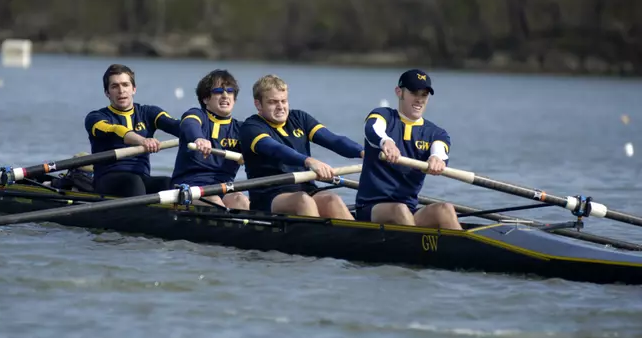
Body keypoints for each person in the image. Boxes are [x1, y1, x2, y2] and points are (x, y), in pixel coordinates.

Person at [238, 74, 364, 218]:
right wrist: (309, 161)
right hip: (269, 195)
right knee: (303, 201)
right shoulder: (251, 127)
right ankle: (316, 232)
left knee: (332, 200)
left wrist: (363, 152)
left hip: (306, 188)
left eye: (284, 101)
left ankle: (353, 233)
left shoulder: (299, 118)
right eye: (273, 102)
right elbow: (276, 150)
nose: (280, 107)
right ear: (258, 104)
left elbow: (333, 140)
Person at [355, 69, 462, 230]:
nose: (419, 99)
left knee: (445, 209)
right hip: (370, 208)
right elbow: (372, 129)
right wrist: (386, 142)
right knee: (400, 210)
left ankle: (459, 245)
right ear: (399, 92)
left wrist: (437, 159)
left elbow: (440, 150)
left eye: (424, 95)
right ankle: (417, 245)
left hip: (409, 210)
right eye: (414, 93)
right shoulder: (383, 116)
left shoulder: (436, 133)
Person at [84, 64, 180, 197]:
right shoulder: (95, 117)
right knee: (133, 182)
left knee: (168, 184)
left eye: (125, 85)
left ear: (134, 89)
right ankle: (142, 210)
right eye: (114, 86)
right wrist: (142, 140)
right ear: (107, 93)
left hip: (141, 178)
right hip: (107, 180)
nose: (121, 91)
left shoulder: (148, 113)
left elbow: (177, 125)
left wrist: (199, 135)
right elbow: (116, 130)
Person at [171, 69, 250, 209]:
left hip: (224, 187)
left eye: (230, 91)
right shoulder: (197, 115)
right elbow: (189, 123)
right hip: (189, 186)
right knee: (214, 201)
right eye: (218, 91)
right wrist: (198, 138)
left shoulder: (241, 129)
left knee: (241, 200)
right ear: (206, 99)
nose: (225, 96)